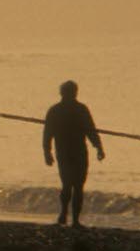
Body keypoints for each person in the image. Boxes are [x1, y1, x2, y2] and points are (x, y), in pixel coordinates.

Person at [42, 80, 105, 228]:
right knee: (76, 186)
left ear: (62, 93)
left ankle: (66, 215)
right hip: (74, 152)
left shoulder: (56, 110)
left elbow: (47, 134)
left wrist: (47, 152)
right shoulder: (79, 109)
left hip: (67, 152)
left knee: (69, 185)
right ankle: (71, 218)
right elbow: (91, 130)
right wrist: (99, 147)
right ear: (74, 92)